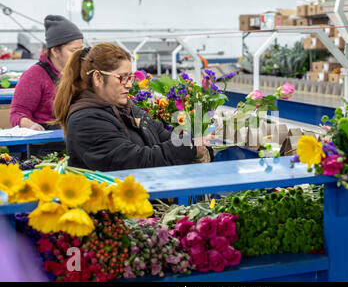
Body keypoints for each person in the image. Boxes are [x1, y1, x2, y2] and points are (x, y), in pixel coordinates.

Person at [53, 42, 211, 171]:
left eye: (131, 78)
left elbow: (162, 136)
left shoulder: (129, 110)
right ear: (98, 78)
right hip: (111, 207)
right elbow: (136, 162)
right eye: (122, 78)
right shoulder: (85, 121)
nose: (129, 85)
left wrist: (198, 145)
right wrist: (189, 148)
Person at [9, 15, 83, 157]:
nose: (79, 55)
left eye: (81, 49)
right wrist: (31, 126)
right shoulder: (35, 75)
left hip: (77, 143)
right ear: (55, 51)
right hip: (47, 150)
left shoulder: (80, 72)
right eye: (73, 51)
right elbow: (17, 113)